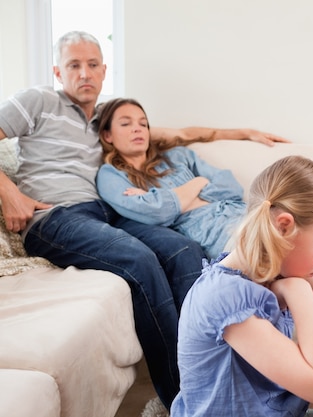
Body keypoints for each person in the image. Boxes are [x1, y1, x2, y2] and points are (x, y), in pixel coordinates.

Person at [0, 31, 286, 409]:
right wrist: (10, 192)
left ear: (104, 71)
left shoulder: (106, 118)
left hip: (107, 214)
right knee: (140, 261)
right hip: (58, 216)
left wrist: (244, 132)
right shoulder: (38, 100)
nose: (84, 73)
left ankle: (217, 365)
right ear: (58, 71)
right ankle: (186, 397)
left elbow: (184, 134)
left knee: (183, 249)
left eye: (92, 65)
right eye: (73, 65)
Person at [94, 98, 313, 318]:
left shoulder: (179, 156)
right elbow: (154, 214)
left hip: (249, 210)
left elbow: (227, 185)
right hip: (222, 232)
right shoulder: (110, 176)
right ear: (108, 135)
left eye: (143, 123)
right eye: (126, 124)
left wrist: (182, 194)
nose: (138, 129)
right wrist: (191, 190)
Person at [170, 155, 313, 416]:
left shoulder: (265, 273)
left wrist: (297, 279)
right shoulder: (227, 296)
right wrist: (297, 289)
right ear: (283, 226)